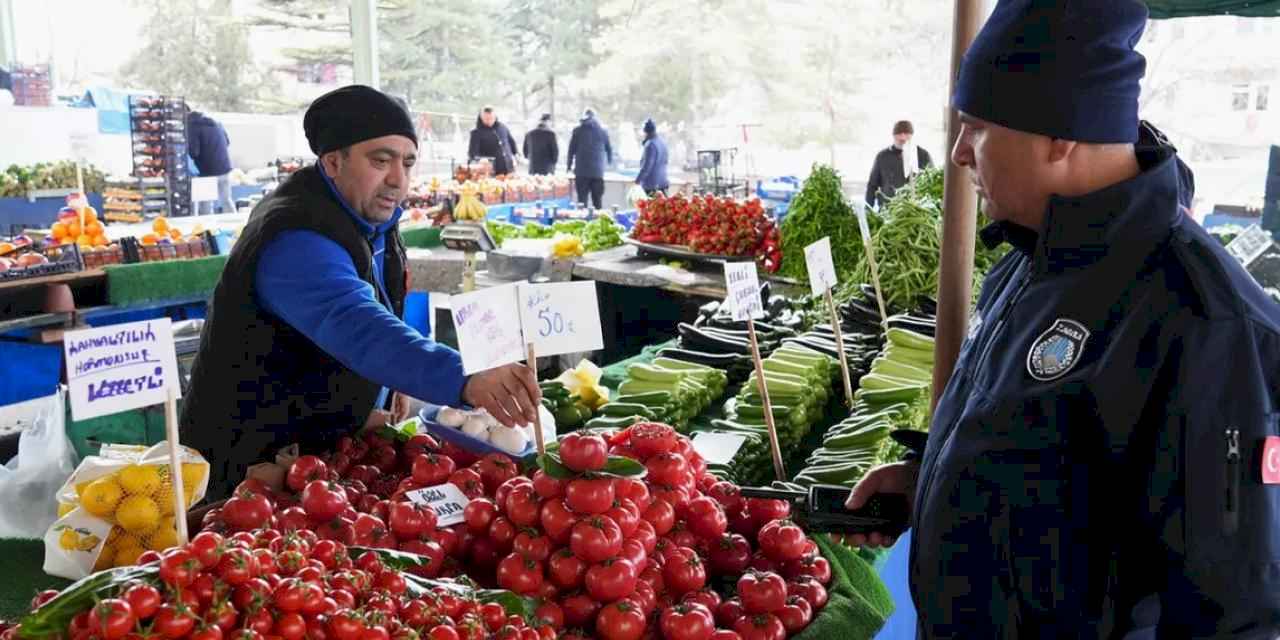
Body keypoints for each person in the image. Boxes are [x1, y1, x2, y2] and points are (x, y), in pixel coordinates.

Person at [844, 1, 1280, 637]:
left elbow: (1232, 611)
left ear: (1061, 133)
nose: (960, 153)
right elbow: (1056, 473)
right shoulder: (1032, 253)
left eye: (978, 128)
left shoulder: (1204, 322)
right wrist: (934, 479)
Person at [181, 85, 540, 500]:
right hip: (249, 466)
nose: (398, 180)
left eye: (407, 162)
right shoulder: (296, 235)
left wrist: (392, 383)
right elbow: (357, 324)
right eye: (380, 160)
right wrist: (465, 376)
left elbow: (381, 301)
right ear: (333, 161)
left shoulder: (364, 216)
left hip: (315, 456)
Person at [865, 120, 933, 209]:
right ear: (893, 135)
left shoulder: (923, 155)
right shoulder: (882, 156)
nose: (902, 138)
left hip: (917, 209)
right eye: (899, 134)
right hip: (887, 209)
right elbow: (872, 185)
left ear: (912, 135)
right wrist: (868, 209)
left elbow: (931, 183)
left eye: (906, 133)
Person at [187, 108, 238, 215]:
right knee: (226, 201)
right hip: (224, 168)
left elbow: (194, 151)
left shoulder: (192, 125)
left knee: (205, 205)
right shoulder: (216, 122)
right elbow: (227, 142)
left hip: (207, 171)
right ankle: (237, 227)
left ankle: (207, 229)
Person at [567, 108, 612, 209]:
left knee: (582, 202)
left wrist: (568, 166)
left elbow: (571, 150)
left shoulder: (577, 131)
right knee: (597, 202)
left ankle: (583, 223)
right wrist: (609, 164)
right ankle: (600, 223)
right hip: (597, 173)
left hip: (581, 172)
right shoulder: (602, 131)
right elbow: (609, 149)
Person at [468, 106, 518, 176]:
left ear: (495, 117)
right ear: (481, 118)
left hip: (510, 169)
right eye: (486, 119)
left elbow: (511, 142)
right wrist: (480, 159)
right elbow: (472, 153)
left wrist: (515, 156)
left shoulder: (503, 127)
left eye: (491, 118)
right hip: (491, 171)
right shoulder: (476, 133)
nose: (489, 121)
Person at [634, 118, 669, 196]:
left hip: (652, 186)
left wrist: (637, 181)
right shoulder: (662, 142)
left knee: (652, 207)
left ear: (645, 132)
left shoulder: (650, 145)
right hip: (663, 182)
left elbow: (647, 167)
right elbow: (666, 161)